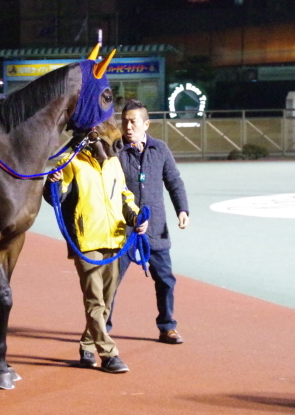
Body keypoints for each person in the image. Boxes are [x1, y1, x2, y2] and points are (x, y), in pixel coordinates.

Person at [44, 142, 148, 373]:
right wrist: (54, 182)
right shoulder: (70, 161)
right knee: (95, 301)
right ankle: (109, 354)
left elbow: (124, 196)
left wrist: (136, 217)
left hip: (115, 240)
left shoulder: (114, 162)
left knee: (107, 302)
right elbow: (56, 198)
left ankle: (87, 345)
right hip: (86, 242)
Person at [109, 99, 189, 344]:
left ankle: (167, 327)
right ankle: (102, 330)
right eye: (124, 122)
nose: (128, 127)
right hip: (121, 231)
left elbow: (174, 181)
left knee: (165, 280)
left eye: (133, 121)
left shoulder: (160, 149)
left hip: (155, 231)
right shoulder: (115, 151)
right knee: (108, 284)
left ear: (146, 124)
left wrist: (182, 209)